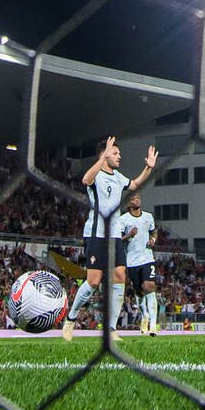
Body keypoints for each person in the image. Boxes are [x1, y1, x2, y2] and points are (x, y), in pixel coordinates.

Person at [62, 135, 157, 341]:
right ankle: (70, 319)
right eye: (115, 153)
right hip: (96, 234)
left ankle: (111, 329)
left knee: (120, 276)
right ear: (104, 155)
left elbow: (134, 184)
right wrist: (102, 158)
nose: (119, 156)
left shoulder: (118, 177)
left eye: (118, 153)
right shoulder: (96, 174)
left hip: (114, 235)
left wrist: (148, 168)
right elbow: (85, 180)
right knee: (93, 281)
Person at [118, 193, 160, 335]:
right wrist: (128, 235)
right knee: (139, 292)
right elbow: (118, 240)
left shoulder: (148, 217)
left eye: (138, 198)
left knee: (150, 287)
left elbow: (154, 232)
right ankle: (145, 315)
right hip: (132, 261)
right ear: (128, 203)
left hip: (147, 258)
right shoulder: (123, 219)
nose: (136, 200)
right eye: (133, 199)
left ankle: (153, 325)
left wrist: (153, 240)